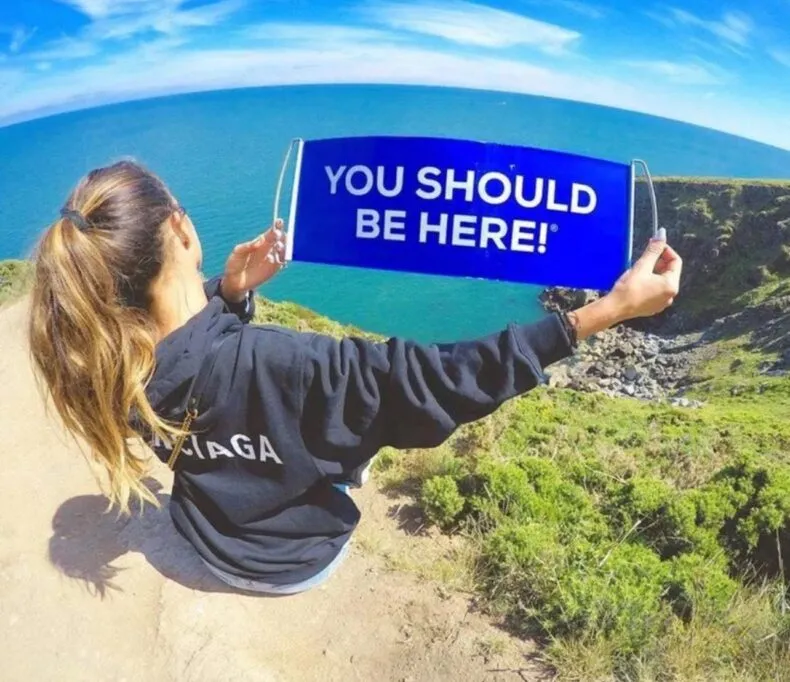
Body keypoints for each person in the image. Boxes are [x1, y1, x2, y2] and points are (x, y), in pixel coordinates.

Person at [27, 159, 682, 596]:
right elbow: (438, 380)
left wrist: (226, 291)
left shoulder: (110, 362)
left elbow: (198, 359)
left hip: (210, 539)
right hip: (292, 562)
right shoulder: (287, 364)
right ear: (181, 226)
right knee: (342, 414)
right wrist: (609, 311)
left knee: (300, 416)